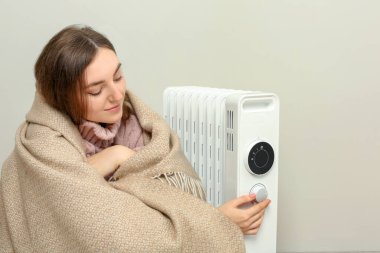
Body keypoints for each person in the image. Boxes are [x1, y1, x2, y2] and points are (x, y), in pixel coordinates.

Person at [0, 25, 271, 252]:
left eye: (118, 76)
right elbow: (112, 236)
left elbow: (171, 204)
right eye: (96, 91)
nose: (117, 95)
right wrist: (218, 223)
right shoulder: (42, 146)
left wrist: (207, 221)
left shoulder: (137, 124)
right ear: (62, 97)